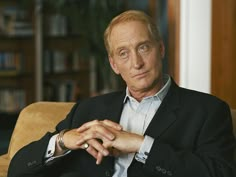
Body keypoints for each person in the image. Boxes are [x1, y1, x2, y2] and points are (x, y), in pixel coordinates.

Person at [8, 10, 235, 177]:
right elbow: (16, 169)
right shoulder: (88, 110)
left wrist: (141, 145)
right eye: (123, 53)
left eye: (143, 47)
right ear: (114, 64)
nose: (136, 63)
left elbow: (220, 173)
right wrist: (64, 140)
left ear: (161, 49)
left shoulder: (207, 110)